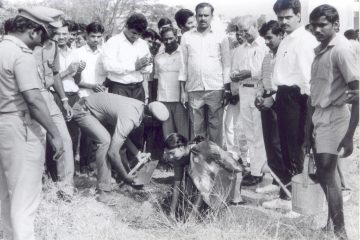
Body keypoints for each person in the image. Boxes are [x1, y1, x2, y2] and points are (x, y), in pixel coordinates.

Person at [0, 7, 64, 240]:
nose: (42, 43)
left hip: (3, 126)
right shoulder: (21, 55)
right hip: (21, 127)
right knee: (25, 200)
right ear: (34, 31)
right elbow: (34, 100)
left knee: (6, 197)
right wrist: (56, 135)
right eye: (44, 37)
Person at [304, 5, 359, 239]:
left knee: (327, 173)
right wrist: (308, 132)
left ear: (336, 25)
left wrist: (349, 135)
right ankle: (331, 224)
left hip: (336, 116)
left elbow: (357, 93)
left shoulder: (342, 50)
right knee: (325, 174)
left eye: (322, 24)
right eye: (313, 25)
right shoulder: (320, 50)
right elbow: (314, 94)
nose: (317, 29)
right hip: (319, 117)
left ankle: (340, 232)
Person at [262, 0, 318, 210]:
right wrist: (275, 98)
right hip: (284, 96)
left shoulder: (304, 41)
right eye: (280, 18)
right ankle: (286, 196)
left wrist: (309, 114)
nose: (283, 21)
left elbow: (307, 81)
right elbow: (282, 77)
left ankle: (299, 203)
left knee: (296, 150)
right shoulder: (286, 40)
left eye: (288, 17)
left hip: (299, 99)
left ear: (298, 16)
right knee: (285, 148)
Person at [72, 92, 169, 204]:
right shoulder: (130, 117)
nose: (153, 127)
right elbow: (113, 153)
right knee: (105, 141)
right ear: (149, 117)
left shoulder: (140, 106)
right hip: (83, 110)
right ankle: (102, 192)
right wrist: (125, 177)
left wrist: (137, 153)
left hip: (94, 111)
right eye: (154, 124)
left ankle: (106, 185)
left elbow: (121, 134)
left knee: (109, 140)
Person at [32, 9, 75, 199]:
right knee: (37, 143)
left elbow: (55, 73)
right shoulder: (25, 46)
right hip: (29, 97)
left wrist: (64, 100)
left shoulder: (53, 46)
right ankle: (37, 187)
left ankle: (66, 189)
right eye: (52, 29)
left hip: (47, 95)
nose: (56, 33)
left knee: (64, 140)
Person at [179, 2, 231, 146]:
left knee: (216, 129)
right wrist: (183, 91)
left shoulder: (221, 37)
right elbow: (183, 65)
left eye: (206, 15)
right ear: (195, 16)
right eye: (200, 15)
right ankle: (199, 164)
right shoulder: (186, 37)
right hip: (194, 89)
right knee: (197, 130)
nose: (203, 18)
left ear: (212, 17)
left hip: (216, 88)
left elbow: (227, 65)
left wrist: (227, 89)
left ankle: (216, 163)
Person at [164, 133, 244, 219]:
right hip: (212, 177)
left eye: (172, 153)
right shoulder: (178, 158)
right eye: (168, 154)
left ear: (181, 147)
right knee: (189, 189)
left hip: (230, 173)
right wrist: (171, 213)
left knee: (213, 207)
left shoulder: (198, 152)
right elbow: (177, 186)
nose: (170, 157)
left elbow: (204, 186)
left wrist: (193, 214)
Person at [231, 15, 267, 186]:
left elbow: (266, 69)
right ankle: (254, 170)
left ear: (256, 25)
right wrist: (236, 75)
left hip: (258, 91)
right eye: (241, 31)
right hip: (243, 91)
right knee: (249, 134)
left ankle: (259, 171)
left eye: (246, 30)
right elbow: (235, 69)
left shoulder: (264, 45)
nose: (244, 34)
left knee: (259, 134)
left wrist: (250, 73)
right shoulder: (240, 49)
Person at [254, 20, 286, 196]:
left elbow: (287, 83)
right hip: (266, 102)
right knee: (270, 145)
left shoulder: (285, 55)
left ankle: (285, 187)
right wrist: (259, 95)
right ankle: (276, 180)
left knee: (279, 144)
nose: (266, 42)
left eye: (269, 38)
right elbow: (262, 79)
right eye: (264, 38)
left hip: (280, 102)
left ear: (281, 35)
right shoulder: (267, 56)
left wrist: (272, 98)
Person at [75, 21, 106, 173]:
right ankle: (83, 165)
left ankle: (96, 165)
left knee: (101, 132)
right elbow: (74, 80)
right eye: (92, 36)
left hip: (101, 96)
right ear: (86, 36)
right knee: (86, 133)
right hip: (84, 95)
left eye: (99, 36)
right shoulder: (78, 52)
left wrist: (102, 85)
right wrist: (91, 86)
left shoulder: (104, 52)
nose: (95, 39)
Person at [54, 20, 85, 157]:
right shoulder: (49, 52)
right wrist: (66, 71)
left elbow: (77, 81)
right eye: (58, 34)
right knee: (57, 133)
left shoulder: (74, 53)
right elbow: (48, 81)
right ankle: (54, 171)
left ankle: (70, 169)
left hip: (73, 96)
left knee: (73, 133)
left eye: (64, 34)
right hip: (56, 96)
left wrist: (78, 71)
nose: (61, 37)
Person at [154, 26, 190, 140]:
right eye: (165, 39)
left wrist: (185, 94)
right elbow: (156, 78)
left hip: (180, 99)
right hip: (163, 99)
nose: (168, 42)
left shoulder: (184, 54)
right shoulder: (158, 57)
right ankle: (171, 157)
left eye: (171, 38)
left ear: (176, 37)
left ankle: (185, 156)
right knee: (167, 134)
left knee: (183, 132)